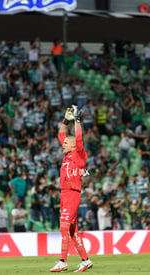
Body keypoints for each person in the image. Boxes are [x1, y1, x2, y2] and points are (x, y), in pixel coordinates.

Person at [50, 106, 93, 273]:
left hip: (72, 194)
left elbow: (79, 138)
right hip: (64, 193)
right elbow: (61, 135)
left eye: (66, 143)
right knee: (73, 231)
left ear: (74, 145)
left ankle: (62, 261)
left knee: (64, 227)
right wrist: (65, 121)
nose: (63, 144)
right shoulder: (67, 155)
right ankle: (85, 260)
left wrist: (77, 120)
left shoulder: (79, 155)